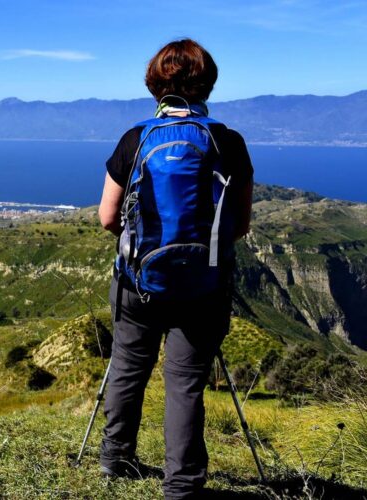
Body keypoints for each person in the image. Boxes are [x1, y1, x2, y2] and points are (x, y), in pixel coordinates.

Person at [97, 39, 254, 499]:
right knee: (185, 384)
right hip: (203, 287)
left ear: (153, 84)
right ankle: (182, 486)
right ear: (208, 83)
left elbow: (108, 217)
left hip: (137, 283)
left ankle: (115, 460)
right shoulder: (227, 141)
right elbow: (238, 226)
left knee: (128, 368)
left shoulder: (137, 138)